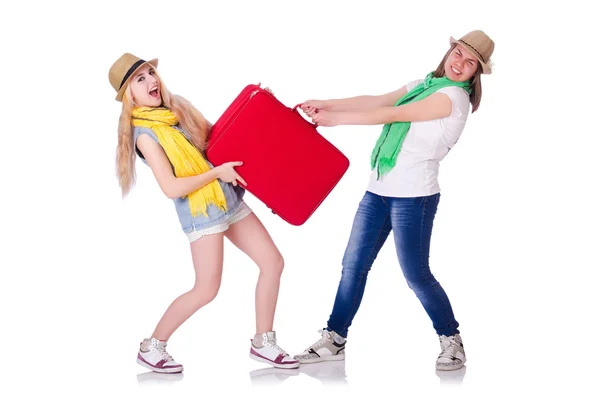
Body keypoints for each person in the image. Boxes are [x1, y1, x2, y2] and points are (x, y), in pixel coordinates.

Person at [293, 30, 494, 371]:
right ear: (448, 53)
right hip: (378, 192)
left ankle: (452, 341)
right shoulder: (423, 83)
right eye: (457, 53)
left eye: (470, 61)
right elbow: (377, 101)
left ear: (476, 73)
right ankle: (335, 337)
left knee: (417, 275)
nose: (459, 63)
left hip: (415, 198)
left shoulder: (453, 99)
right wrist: (327, 104)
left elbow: (394, 115)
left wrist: (337, 121)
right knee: (353, 267)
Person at [108, 53, 299, 373]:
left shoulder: (175, 109)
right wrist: (216, 174)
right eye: (140, 79)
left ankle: (262, 342)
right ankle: (151, 346)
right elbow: (171, 188)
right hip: (202, 215)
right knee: (206, 289)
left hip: (229, 202)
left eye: (150, 72)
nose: (151, 80)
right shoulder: (145, 135)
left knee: (273, 262)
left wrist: (258, 106)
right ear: (129, 94)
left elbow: (219, 139)